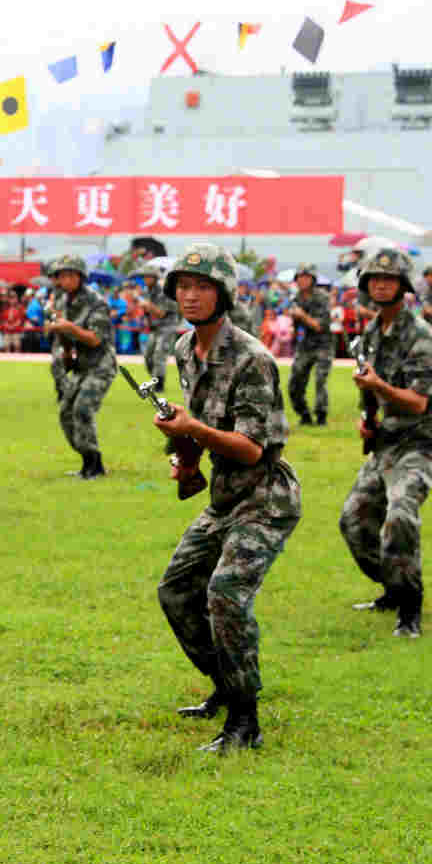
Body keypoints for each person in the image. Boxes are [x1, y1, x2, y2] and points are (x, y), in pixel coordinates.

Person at [153, 242, 300, 752]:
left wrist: (195, 428)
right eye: (183, 287)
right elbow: (202, 423)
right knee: (175, 591)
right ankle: (228, 682)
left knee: (226, 594)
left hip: (264, 497)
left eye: (202, 287)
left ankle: (244, 722)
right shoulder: (183, 350)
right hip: (223, 497)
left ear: (225, 295)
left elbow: (252, 447)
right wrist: (183, 446)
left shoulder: (253, 360)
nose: (190, 296)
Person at [338, 249, 432, 639]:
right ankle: (392, 586)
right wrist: (367, 421)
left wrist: (379, 388)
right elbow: (369, 389)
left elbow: (418, 402)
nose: (380, 285)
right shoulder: (371, 334)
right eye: (373, 279)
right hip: (387, 441)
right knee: (353, 521)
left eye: (389, 279)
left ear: (403, 287)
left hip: (420, 441)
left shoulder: (422, 337)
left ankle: (409, 609)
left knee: (400, 515)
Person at [44, 254, 116, 479]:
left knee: (82, 409)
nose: (63, 280)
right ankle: (86, 461)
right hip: (81, 366)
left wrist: (68, 327)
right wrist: (64, 345)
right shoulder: (63, 302)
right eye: (60, 276)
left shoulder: (97, 303)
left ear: (80, 277)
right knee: (66, 412)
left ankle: (95, 465)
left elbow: (95, 339)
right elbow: (66, 335)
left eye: (68, 275)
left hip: (101, 365)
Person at [286, 264, 334, 426]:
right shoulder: (296, 298)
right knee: (294, 382)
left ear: (313, 280)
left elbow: (320, 326)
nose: (302, 280)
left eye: (306, 277)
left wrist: (302, 315)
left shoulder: (323, 297)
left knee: (320, 380)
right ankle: (304, 414)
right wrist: (293, 319)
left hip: (323, 344)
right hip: (305, 345)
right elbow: (296, 326)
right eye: (299, 277)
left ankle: (321, 416)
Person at [135, 263, 181, 392]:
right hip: (155, 328)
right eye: (144, 277)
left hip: (167, 326)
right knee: (148, 356)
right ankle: (155, 378)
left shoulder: (163, 292)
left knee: (159, 355)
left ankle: (159, 385)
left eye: (148, 276)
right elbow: (146, 311)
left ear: (155, 278)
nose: (145, 279)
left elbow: (161, 313)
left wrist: (148, 305)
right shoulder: (146, 291)